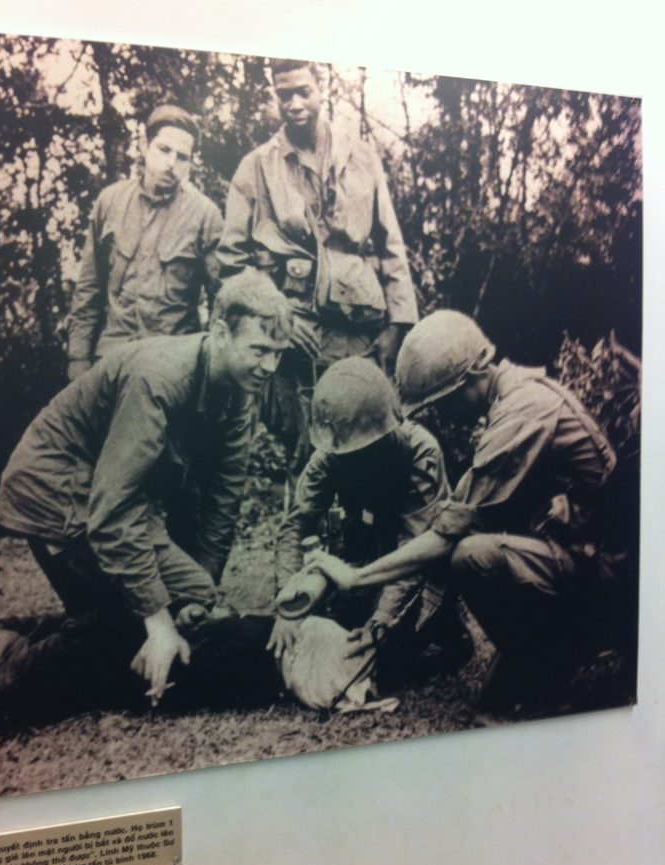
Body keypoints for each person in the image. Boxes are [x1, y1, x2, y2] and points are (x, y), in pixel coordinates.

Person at [0, 270, 292, 745]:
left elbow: (223, 501)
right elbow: (112, 512)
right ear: (220, 332)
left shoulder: (241, 392)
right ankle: (1, 679)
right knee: (125, 632)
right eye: (259, 350)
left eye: (277, 354)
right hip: (54, 492)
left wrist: (198, 596)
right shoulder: (157, 377)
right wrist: (157, 621)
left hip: (115, 500)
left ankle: (5, 638)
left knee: (193, 601)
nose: (269, 367)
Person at [308, 310, 619, 712]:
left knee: (471, 556)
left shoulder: (524, 410)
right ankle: (541, 663)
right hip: (585, 559)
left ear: (469, 380)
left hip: (610, 579)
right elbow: (462, 513)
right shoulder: (517, 398)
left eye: (442, 401)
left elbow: (448, 534)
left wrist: (356, 578)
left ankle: (549, 674)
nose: (441, 414)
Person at [217, 59, 418, 471]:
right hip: (295, 336)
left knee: (367, 439)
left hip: (357, 332)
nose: (293, 103)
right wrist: (279, 314)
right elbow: (232, 263)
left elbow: (390, 243)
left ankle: (364, 531)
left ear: (321, 87)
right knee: (307, 452)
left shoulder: (361, 157)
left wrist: (398, 326)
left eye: (302, 91)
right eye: (283, 94)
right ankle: (307, 532)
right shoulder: (255, 168)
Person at [268, 357, 469, 697]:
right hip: (365, 567)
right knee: (333, 637)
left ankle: (446, 630)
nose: (354, 457)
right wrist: (287, 605)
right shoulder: (330, 454)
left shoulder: (420, 452)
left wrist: (380, 625)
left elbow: (414, 554)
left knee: (385, 663)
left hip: (419, 570)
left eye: (365, 447)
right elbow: (295, 527)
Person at [66, 104, 224, 379]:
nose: (171, 163)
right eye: (164, 150)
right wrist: (78, 358)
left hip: (172, 366)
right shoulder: (110, 202)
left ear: (190, 163)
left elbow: (221, 300)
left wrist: (208, 368)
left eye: (182, 157)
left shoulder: (205, 216)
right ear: (145, 145)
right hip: (110, 360)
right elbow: (89, 290)